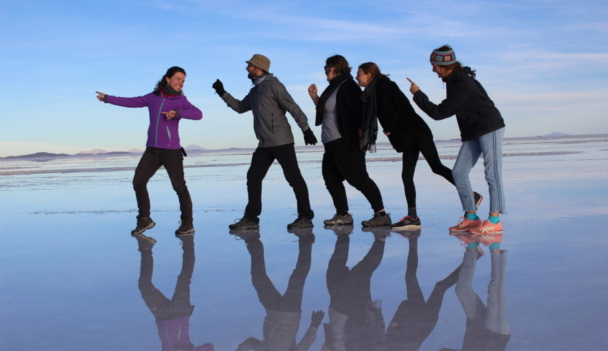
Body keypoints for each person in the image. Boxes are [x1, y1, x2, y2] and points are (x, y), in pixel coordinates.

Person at [356, 62, 481, 230]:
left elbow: (402, 106)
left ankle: (472, 195)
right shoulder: (371, 92)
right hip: (407, 136)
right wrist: (390, 129)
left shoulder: (384, 85)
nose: (357, 77)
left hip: (417, 131)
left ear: (369, 74)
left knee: (436, 166)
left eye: (359, 74)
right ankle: (413, 217)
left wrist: (391, 128)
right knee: (406, 176)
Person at [212, 54, 318, 231]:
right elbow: (240, 107)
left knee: (294, 178)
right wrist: (222, 93)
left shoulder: (274, 85)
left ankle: (305, 216)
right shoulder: (254, 91)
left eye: (250, 66)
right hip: (264, 144)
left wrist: (306, 129)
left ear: (259, 68)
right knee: (253, 177)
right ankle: (251, 218)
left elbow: (293, 107)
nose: (247, 68)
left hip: (282, 141)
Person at [408, 45, 506, 234]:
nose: (433, 70)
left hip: (489, 127)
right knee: (459, 173)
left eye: (434, 66)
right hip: (472, 132)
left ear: (443, 65)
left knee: (492, 173)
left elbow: (439, 113)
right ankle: (471, 218)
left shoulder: (461, 82)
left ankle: (495, 220)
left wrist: (418, 95)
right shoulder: (454, 80)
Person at [96, 66, 202, 236]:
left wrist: (176, 113)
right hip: (152, 150)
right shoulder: (153, 98)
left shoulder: (181, 100)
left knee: (179, 187)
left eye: (183, 80)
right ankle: (144, 219)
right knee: (138, 182)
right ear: (168, 79)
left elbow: (198, 114)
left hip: (172, 151)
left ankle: (187, 223)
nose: (181, 83)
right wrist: (107, 98)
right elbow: (130, 102)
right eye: (178, 79)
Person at [225, 229, 323, 351]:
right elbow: (302, 348)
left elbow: (250, 343)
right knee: (298, 276)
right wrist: (314, 325)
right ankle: (306, 241)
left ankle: (253, 241)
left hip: (273, 310)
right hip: (290, 312)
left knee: (258, 277)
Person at [113, 234, 213, 351]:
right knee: (184, 278)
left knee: (144, 285)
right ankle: (188, 243)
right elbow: (210, 348)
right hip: (180, 314)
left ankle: (146, 247)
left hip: (161, 317)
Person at [308, 55, 389, 228]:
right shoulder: (333, 87)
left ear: (336, 68)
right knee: (331, 178)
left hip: (345, 142)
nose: (325, 71)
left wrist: (361, 140)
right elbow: (326, 110)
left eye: (327, 67)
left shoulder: (348, 87)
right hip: (331, 144)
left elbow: (358, 115)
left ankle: (381, 213)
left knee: (359, 178)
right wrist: (314, 97)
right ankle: (343, 214)